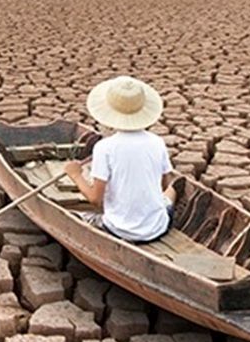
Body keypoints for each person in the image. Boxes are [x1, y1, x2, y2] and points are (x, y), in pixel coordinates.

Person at [63, 76, 176, 243]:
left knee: (83, 215)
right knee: (172, 192)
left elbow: (95, 199)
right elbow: (165, 185)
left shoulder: (105, 147)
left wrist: (75, 175)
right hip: (158, 228)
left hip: (119, 230)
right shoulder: (157, 142)